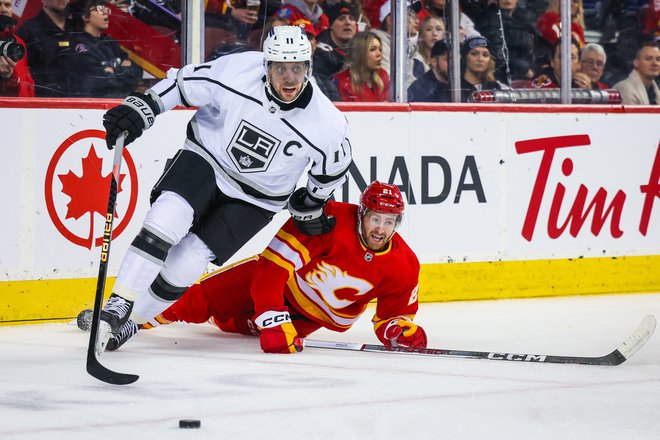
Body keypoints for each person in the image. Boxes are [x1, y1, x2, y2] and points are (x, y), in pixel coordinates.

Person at [96, 25, 353, 354]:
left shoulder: (326, 123)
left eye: (297, 69)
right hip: (207, 159)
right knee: (167, 217)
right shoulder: (237, 70)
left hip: (257, 198)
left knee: (190, 259)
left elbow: (333, 170)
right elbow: (181, 84)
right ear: (266, 66)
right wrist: (143, 109)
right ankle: (118, 305)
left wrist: (312, 202)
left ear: (309, 68)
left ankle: (131, 321)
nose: (289, 78)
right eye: (280, 68)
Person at [104, 182, 428, 355]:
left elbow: (390, 316)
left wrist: (399, 331)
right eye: (375, 219)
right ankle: (129, 321)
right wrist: (273, 317)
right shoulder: (328, 219)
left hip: (305, 321)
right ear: (362, 214)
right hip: (267, 284)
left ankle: (232, 319)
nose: (380, 229)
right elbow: (272, 269)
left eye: (388, 222)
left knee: (227, 324)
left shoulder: (404, 264)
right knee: (199, 300)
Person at [65, 0, 142, 97]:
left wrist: (112, 71)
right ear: (85, 17)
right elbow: (100, 83)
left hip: (118, 104)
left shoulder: (110, 42)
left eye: (105, 8)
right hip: (93, 107)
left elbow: (138, 72)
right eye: (99, 9)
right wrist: (123, 70)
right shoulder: (79, 46)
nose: (106, 11)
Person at [16, 0, 72, 96]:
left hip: (78, 100)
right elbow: (21, 73)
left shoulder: (77, 27)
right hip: (42, 102)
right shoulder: (28, 30)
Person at [474, 0, 537, 83]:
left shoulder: (521, 20)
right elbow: (498, 54)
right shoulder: (492, 19)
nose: (508, 0)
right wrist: (524, 69)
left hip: (519, 77)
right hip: (502, 79)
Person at [313, 1, 357, 99]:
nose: (348, 22)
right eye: (341, 19)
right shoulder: (320, 54)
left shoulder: (361, 50)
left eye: (351, 19)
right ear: (331, 25)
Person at [334, 31, 391, 101]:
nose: (379, 54)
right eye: (372, 49)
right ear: (359, 53)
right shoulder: (341, 82)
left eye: (380, 49)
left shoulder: (382, 75)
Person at [525, 38, 591, 90]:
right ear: (552, 62)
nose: (566, 62)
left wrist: (587, 95)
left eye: (571, 57)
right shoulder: (541, 83)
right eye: (561, 57)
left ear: (579, 64)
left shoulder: (582, 85)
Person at [0, 0, 35, 96]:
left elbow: (27, 82)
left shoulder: (19, 42)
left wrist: (31, 106)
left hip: (22, 108)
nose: (3, 9)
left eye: (7, 5)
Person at [459, 35, 502, 101]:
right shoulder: (456, 87)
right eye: (474, 54)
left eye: (485, 55)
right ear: (465, 57)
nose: (480, 59)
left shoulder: (495, 87)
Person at [410, 15, 445, 85]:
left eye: (438, 29)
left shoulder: (450, 61)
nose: (434, 33)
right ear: (422, 35)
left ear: (444, 35)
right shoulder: (416, 62)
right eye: (429, 29)